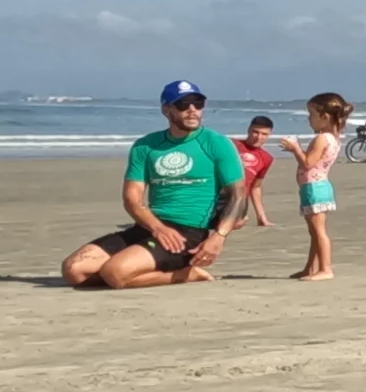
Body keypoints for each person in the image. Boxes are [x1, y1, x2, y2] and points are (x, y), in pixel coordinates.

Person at [60, 81, 248, 288]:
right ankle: (139, 271)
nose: (193, 110)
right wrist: (157, 228)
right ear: (166, 110)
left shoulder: (217, 142)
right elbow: (132, 199)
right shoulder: (146, 146)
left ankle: (187, 274)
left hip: (187, 234)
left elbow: (238, 194)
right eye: (184, 105)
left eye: (198, 104)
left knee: (115, 273)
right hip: (149, 227)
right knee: (74, 270)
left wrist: (218, 237)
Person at [277, 92, 351, 280]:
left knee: (318, 231)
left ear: (324, 117)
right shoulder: (333, 139)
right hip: (318, 185)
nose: (309, 120)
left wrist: (295, 149)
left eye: (311, 115)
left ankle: (325, 268)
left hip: (314, 187)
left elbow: (308, 163)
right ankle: (311, 267)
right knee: (314, 231)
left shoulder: (322, 138)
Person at [230, 115, 277, 229]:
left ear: (269, 135)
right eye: (255, 132)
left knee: (237, 223)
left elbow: (255, 187)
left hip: (239, 200)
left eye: (264, 134)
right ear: (249, 130)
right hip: (219, 195)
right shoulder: (231, 145)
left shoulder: (266, 158)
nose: (258, 137)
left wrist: (262, 218)